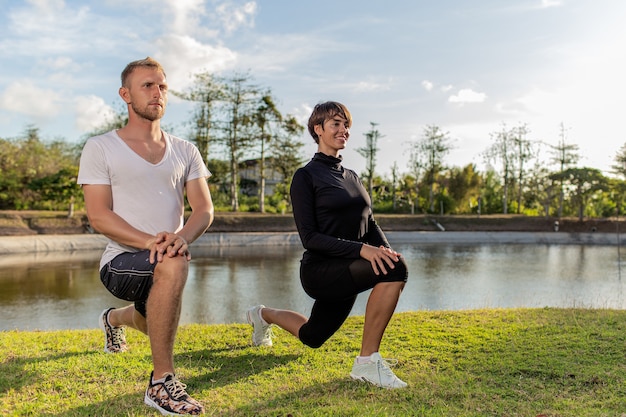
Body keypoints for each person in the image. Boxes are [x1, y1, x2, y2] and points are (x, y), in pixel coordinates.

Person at [77, 57, 214, 416]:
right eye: (147, 86)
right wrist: (153, 242)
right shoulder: (101, 147)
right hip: (120, 260)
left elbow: (204, 210)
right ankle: (160, 383)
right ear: (125, 94)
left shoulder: (186, 150)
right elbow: (99, 215)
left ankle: (112, 320)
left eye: (162, 86)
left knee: (151, 318)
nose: (157, 93)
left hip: (165, 256)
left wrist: (181, 237)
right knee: (171, 263)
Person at [246, 101, 408, 389]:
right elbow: (310, 238)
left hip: (348, 268)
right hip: (321, 271)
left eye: (346, 124)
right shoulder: (305, 176)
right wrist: (363, 251)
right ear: (318, 129)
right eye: (335, 123)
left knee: (312, 336)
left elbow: (369, 224)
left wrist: (383, 249)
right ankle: (367, 363)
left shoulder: (352, 177)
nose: (343, 130)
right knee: (396, 270)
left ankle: (262, 314)